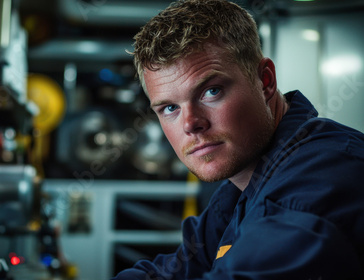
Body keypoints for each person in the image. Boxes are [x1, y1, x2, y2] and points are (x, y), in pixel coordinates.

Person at [112, 0, 364, 279]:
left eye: (211, 91)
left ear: (265, 81)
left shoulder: (319, 180)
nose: (191, 124)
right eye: (170, 108)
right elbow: (175, 270)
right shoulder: (243, 187)